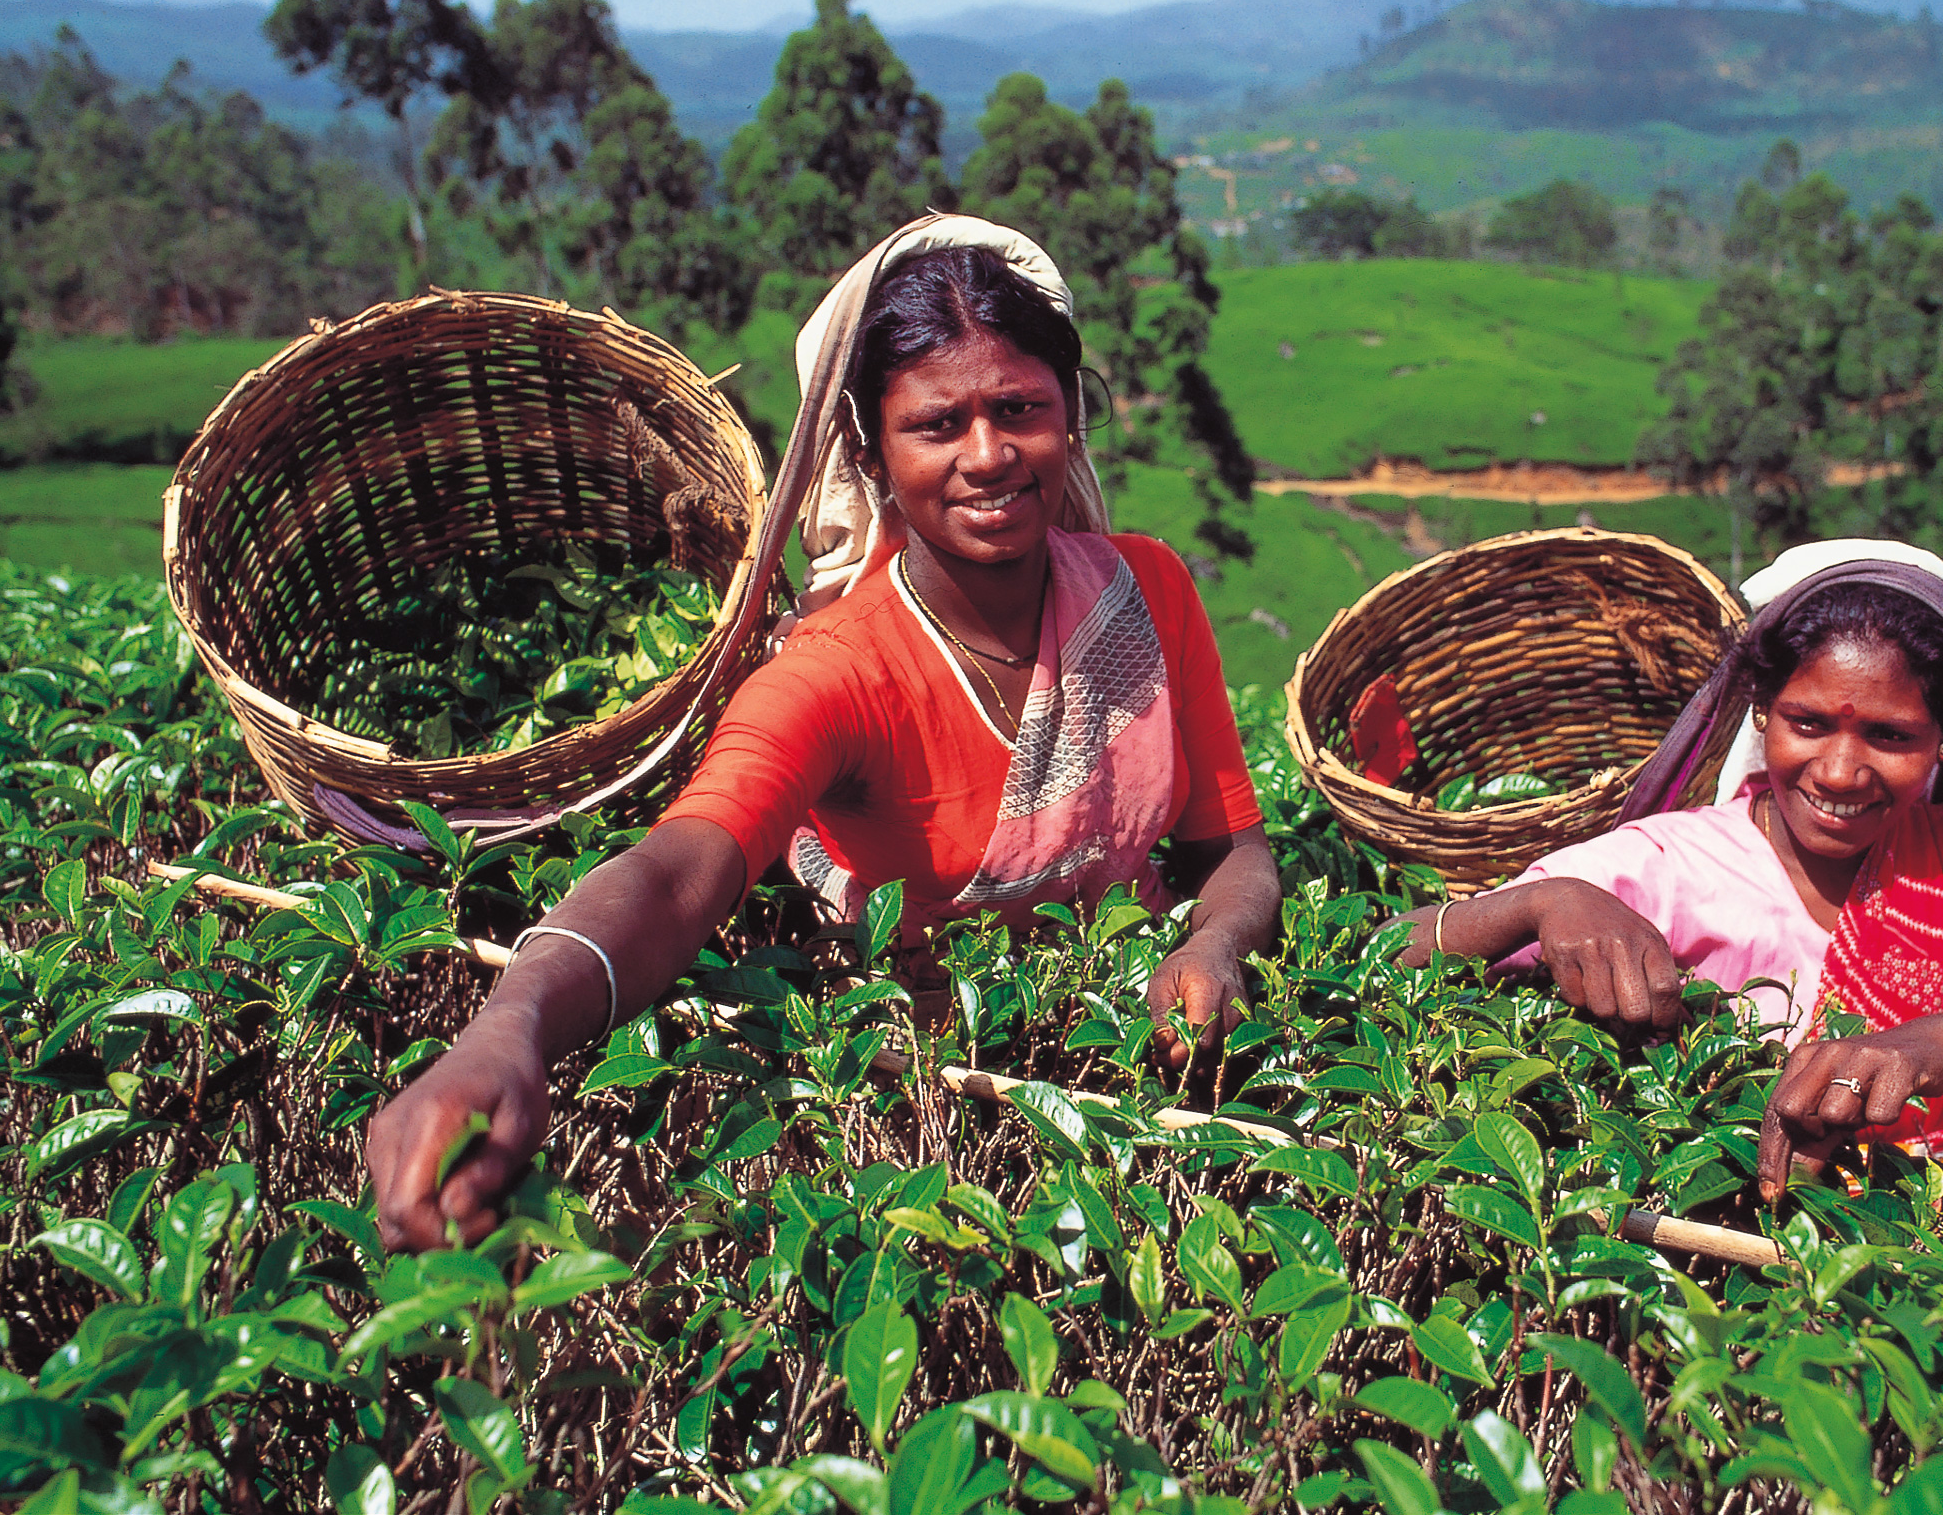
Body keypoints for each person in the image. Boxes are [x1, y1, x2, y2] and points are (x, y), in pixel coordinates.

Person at [368, 214, 1280, 1251]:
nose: (987, 455)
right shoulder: (839, 672)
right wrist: (510, 1030)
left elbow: (1232, 848)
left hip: (1146, 1069)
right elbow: (678, 869)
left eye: (1019, 409)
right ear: (871, 451)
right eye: (936, 424)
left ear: (1068, 415)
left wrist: (1213, 944)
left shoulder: (1144, 589)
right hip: (935, 1120)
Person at [1390, 540, 1943, 1201]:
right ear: (1762, 708)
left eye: (1889, 736)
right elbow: (1390, 951)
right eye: (1807, 723)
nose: (1838, 771)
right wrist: (1542, 902)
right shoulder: (1671, 862)